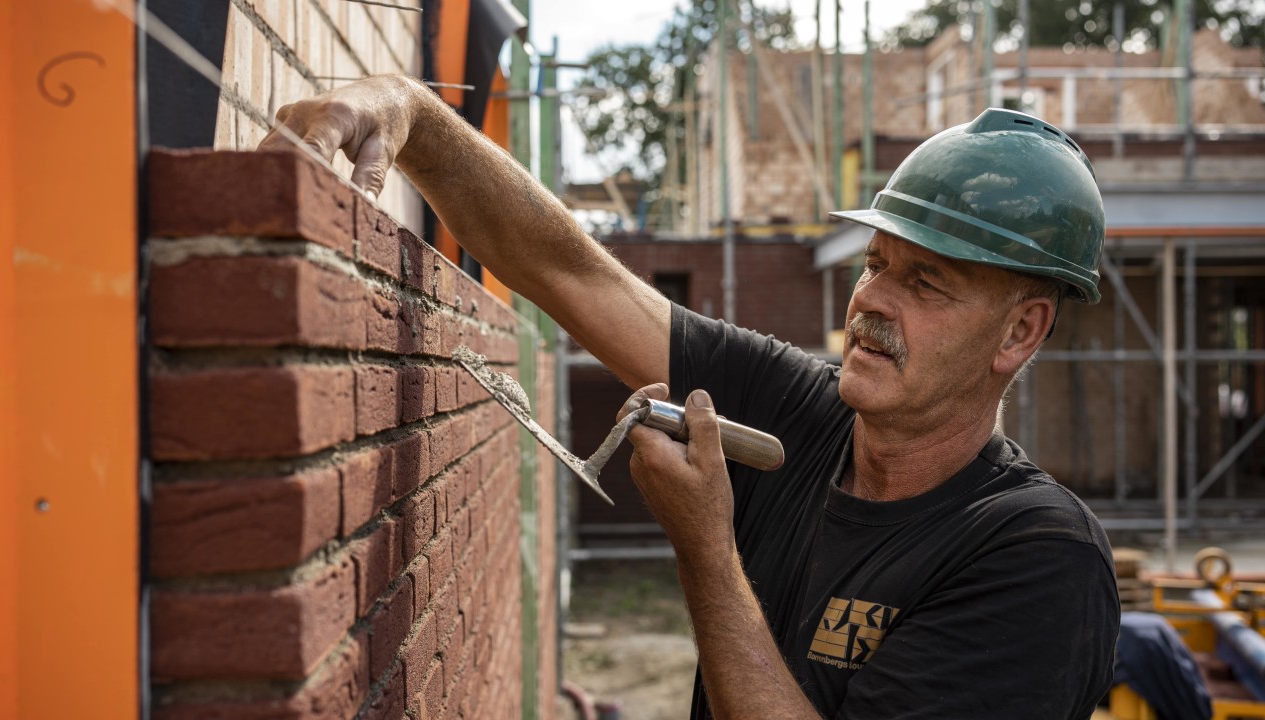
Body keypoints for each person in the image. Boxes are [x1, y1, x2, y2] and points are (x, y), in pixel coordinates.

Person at [262, 75, 1121, 719]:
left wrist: (707, 551)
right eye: (876, 263)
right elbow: (568, 270)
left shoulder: (1037, 560)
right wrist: (405, 110)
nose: (871, 304)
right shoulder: (799, 410)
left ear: (1020, 333)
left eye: (927, 282)